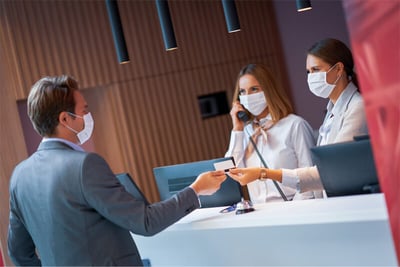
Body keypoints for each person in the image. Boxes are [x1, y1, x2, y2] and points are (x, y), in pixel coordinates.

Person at [7, 75, 227, 266]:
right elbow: (145, 222)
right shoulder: (84, 165)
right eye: (84, 110)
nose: (88, 116)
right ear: (65, 119)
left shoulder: (19, 176)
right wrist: (196, 189)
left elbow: (18, 253)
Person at [229, 38, 368, 195]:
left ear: (338, 69)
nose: (311, 77)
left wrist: (265, 173)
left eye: (316, 70)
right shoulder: (331, 112)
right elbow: (233, 170)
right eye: (308, 72)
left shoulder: (357, 107)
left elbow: (331, 169)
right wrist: (237, 130)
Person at [225, 63, 316, 203]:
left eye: (254, 89)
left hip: (295, 208)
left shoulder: (295, 125)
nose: (247, 96)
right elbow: (229, 171)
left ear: (269, 90)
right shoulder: (245, 131)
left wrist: (296, 211)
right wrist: (237, 130)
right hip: (260, 212)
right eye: (242, 92)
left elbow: (310, 180)